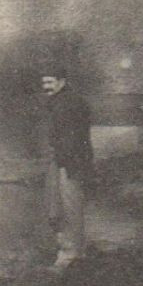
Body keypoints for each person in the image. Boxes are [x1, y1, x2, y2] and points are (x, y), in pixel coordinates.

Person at [41, 69, 94, 270]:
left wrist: (65, 163)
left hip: (72, 163)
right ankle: (68, 251)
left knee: (69, 209)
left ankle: (71, 256)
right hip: (62, 160)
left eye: (50, 81)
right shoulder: (58, 102)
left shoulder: (69, 103)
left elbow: (72, 138)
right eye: (44, 82)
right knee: (55, 208)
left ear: (62, 82)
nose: (46, 86)